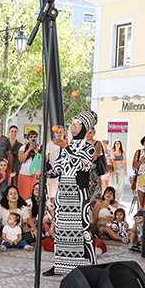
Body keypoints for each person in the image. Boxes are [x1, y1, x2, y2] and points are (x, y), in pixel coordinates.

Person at [44, 111, 99, 277]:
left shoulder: (90, 148)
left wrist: (66, 147)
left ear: (84, 128)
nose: (72, 125)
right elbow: (58, 169)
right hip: (63, 192)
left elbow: (81, 165)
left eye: (77, 122)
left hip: (78, 192)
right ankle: (59, 265)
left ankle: (93, 266)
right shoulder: (64, 147)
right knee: (60, 229)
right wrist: (45, 169)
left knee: (83, 229)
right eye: (72, 122)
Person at [16, 130, 40, 199]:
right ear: (28, 138)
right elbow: (21, 159)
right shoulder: (23, 147)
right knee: (23, 196)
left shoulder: (40, 147)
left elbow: (43, 160)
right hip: (24, 174)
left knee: (35, 196)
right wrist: (28, 150)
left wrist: (37, 153)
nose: (33, 138)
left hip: (36, 175)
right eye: (31, 137)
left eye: (34, 137)